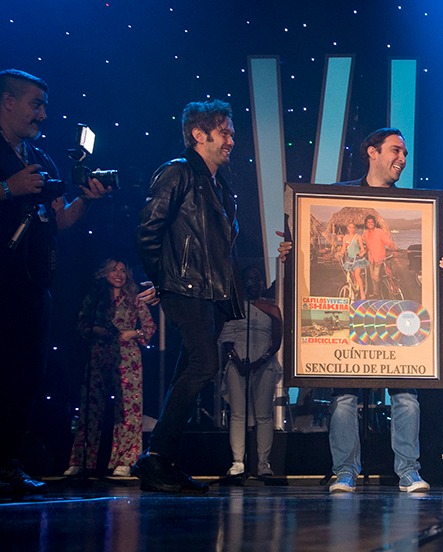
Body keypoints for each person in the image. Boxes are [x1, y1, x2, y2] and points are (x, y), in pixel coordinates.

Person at [278, 128, 443, 493]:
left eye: (405, 153)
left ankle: (409, 471)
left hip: (391, 311)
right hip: (352, 285)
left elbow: (406, 248)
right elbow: (323, 246)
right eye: (395, 150)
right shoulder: (340, 196)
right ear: (372, 152)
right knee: (344, 396)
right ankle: (345, 470)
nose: (402, 158)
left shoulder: (410, 202)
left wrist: (440, 261)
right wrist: (294, 254)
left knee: (406, 395)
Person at [0, 69, 111, 495]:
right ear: (8, 102)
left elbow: (60, 219)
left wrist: (87, 199)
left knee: (26, 375)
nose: (43, 114)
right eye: (36, 105)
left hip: (34, 286)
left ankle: (7, 464)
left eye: (44, 106)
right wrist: (8, 189)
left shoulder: (41, 158)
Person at [132, 99, 243, 493]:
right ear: (199, 134)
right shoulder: (177, 172)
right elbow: (148, 231)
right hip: (187, 289)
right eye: (224, 132)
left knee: (190, 370)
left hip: (210, 293)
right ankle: (156, 457)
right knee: (203, 364)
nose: (231, 140)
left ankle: (161, 459)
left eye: (231, 132)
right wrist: (165, 280)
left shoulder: (219, 185)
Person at [65, 259, 156, 478]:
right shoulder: (95, 298)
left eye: (123, 271)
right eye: (114, 270)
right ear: (103, 273)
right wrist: (95, 330)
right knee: (91, 409)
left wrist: (133, 333)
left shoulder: (134, 298)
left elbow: (149, 327)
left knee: (128, 411)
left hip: (127, 357)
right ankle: (81, 460)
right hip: (99, 354)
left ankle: (125, 460)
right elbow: (81, 324)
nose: (119, 274)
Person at [220, 266, 282, 478]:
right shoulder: (234, 308)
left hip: (264, 363)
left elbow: (276, 341)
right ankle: (238, 462)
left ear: (262, 284)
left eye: (256, 279)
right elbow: (226, 339)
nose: (252, 283)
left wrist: (260, 361)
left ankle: (263, 463)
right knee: (238, 414)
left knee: (264, 415)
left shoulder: (271, 308)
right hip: (238, 362)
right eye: (248, 279)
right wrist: (236, 360)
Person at [362, 214, 397, 298]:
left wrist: (393, 250)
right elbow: (365, 244)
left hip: (379, 258)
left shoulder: (380, 232)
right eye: (368, 222)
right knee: (372, 277)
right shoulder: (365, 234)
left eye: (372, 222)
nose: (370, 223)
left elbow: (389, 243)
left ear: (374, 223)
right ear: (366, 224)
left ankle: (377, 293)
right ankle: (376, 292)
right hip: (371, 258)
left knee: (375, 276)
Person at [338, 222, 368, 300]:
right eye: (350, 227)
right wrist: (340, 253)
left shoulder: (358, 237)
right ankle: (355, 289)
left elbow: (362, 248)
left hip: (357, 259)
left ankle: (362, 293)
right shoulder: (345, 237)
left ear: (355, 229)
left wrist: (362, 253)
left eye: (353, 227)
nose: (351, 229)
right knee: (353, 276)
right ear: (347, 228)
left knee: (357, 275)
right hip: (349, 259)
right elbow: (344, 248)